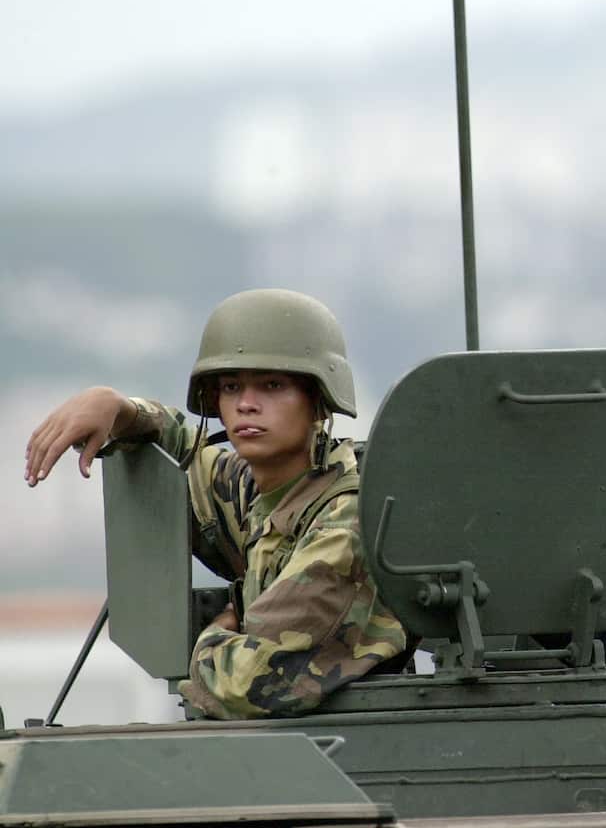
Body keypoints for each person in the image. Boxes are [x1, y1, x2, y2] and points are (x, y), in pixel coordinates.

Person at [24, 288, 409, 719]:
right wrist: (119, 409)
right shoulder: (273, 491)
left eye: (273, 385)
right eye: (230, 387)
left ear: (319, 400)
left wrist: (219, 632)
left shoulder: (344, 526)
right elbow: (182, 455)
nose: (246, 403)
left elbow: (240, 684)